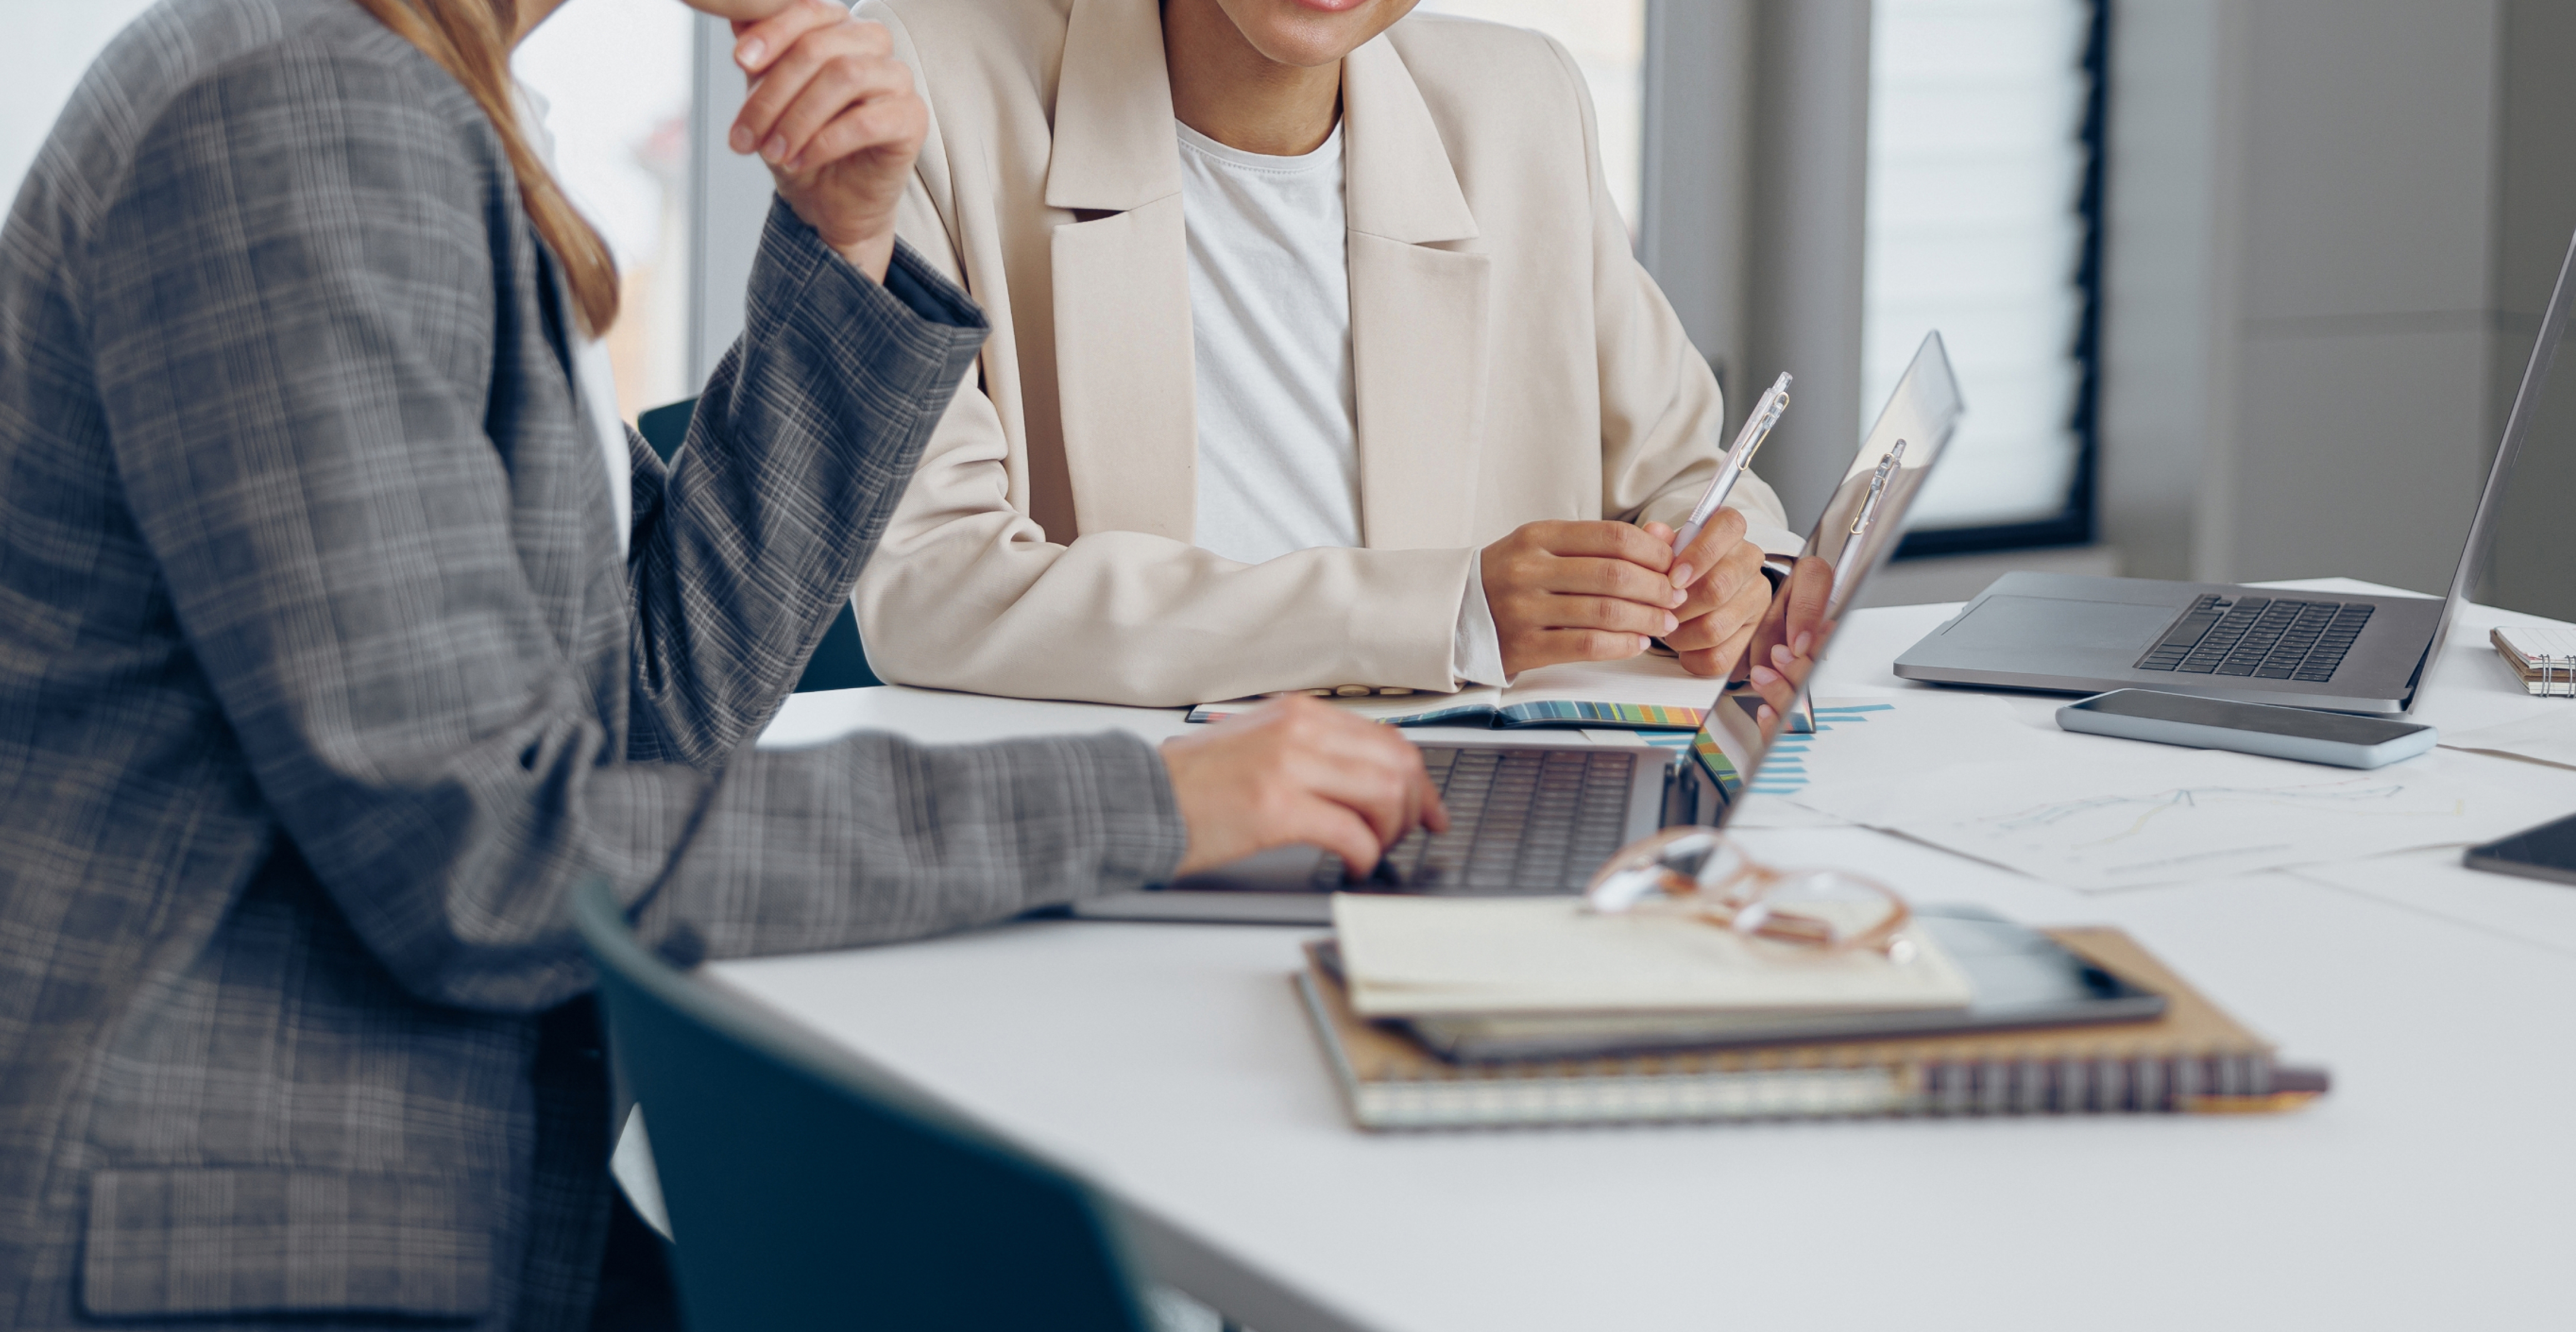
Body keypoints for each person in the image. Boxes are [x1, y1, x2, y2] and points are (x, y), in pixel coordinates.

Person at [0, 0, 1442, 1324]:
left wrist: (842, 247)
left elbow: (651, 708)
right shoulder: (301, 116)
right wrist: (1153, 809)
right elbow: (489, 853)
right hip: (233, 1241)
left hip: (440, 1201)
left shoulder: (436, 107)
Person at [842, 0, 1810, 709]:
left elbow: (1688, 474)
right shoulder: (933, 80)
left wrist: (1731, 578)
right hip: (1129, 808)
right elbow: (933, 583)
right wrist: (1442, 612)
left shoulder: (1523, 105)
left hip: (1465, 794)